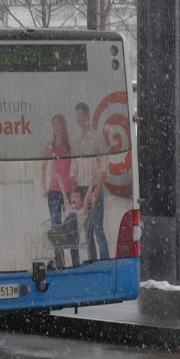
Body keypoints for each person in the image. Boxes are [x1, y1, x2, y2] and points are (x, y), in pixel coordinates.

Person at [71, 101, 110, 261]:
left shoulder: (97, 137)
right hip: (82, 189)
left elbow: (104, 168)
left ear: (87, 115)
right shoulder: (77, 141)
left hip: (95, 188)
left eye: (80, 115)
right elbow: (73, 169)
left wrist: (97, 191)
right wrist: (75, 192)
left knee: (98, 229)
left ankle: (105, 262)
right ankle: (93, 263)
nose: (78, 119)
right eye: (76, 116)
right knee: (87, 231)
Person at [40, 113, 76, 267]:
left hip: (69, 190)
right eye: (54, 124)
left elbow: (75, 166)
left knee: (72, 226)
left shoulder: (70, 146)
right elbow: (43, 168)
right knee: (56, 227)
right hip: (54, 190)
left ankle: (75, 261)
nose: (56, 127)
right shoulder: (50, 146)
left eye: (59, 123)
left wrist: (74, 189)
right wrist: (44, 188)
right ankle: (60, 262)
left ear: (64, 126)